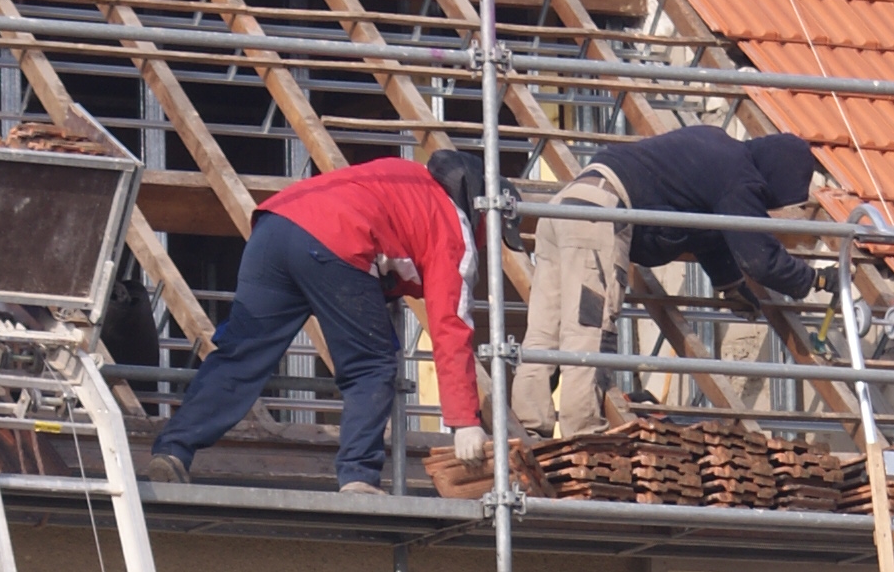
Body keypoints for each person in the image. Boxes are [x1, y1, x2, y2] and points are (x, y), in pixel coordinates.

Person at [149, 148, 490, 496]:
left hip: (275, 223)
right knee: (371, 365)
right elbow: (451, 327)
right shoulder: (454, 229)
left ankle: (173, 449)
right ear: (482, 211)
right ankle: (358, 478)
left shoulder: (405, 176)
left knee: (241, 355)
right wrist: (464, 421)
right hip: (335, 238)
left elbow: (387, 245)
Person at [518, 127, 827, 442]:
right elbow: (761, 259)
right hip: (598, 214)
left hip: (563, 205)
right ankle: (583, 438)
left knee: (545, 332)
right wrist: (814, 279)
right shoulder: (741, 176)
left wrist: (731, 285)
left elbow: (711, 234)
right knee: (589, 328)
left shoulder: (716, 151)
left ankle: (527, 429)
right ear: (778, 177)